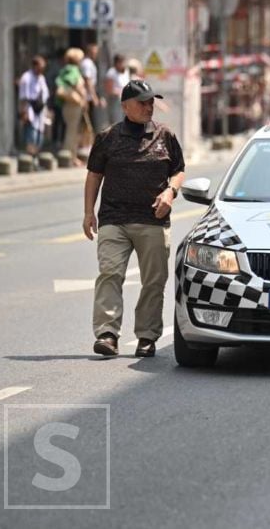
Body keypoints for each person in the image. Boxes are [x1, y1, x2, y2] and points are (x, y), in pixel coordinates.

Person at [83, 80, 185, 358]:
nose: (149, 106)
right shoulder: (107, 138)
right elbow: (94, 175)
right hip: (114, 219)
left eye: (151, 101)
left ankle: (147, 336)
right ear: (125, 106)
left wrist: (170, 191)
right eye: (142, 102)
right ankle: (107, 334)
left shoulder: (165, 135)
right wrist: (88, 212)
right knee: (110, 273)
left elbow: (178, 170)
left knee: (154, 280)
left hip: (152, 220)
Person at [55, 47, 88, 167]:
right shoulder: (73, 70)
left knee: (72, 131)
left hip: (68, 104)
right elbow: (73, 83)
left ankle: (72, 157)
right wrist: (82, 93)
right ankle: (68, 157)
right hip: (73, 104)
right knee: (71, 132)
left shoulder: (65, 69)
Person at [17, 55, 49, 157]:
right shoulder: (26, 78)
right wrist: (24, 112)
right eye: (40, 67)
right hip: (30, 109)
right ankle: (30, 159)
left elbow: (45, 95)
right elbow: (23, 98)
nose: (41, 70)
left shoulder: (41, 78)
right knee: (32, 135)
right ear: (34, 66)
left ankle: (35, 157)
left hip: (40, 109)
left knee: (40, 136)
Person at [104, 54, 130, 125]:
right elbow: (109, 90)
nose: (122, 64)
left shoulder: (126, 71)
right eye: (120, 62)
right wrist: (119, 92)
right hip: (116, 100)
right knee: (117, 122)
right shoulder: (111, 73)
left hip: (126, 100)